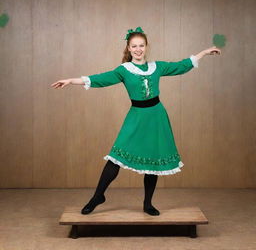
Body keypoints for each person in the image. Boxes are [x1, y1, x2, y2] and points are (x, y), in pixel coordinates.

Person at [51, 27, 221, 216]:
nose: (138, 49)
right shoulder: (124, 70)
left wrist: (204, 53)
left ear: (146, 47)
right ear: (129, 48)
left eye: (141, 45)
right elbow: (100, 79)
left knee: (153, 160)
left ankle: (148, 203)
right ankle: (97, 196)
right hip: (136, 117)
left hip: (156, 117)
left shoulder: (158, 67)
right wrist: (71, 81)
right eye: (134, 46)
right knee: (115, 157)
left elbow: (181, 66)